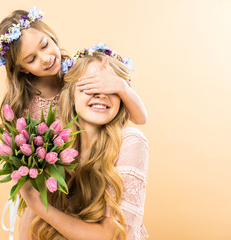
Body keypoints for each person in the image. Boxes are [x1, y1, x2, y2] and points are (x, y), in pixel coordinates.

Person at [18, 49, 149, 240]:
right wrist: (33, 203)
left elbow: (110, 236)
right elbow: (29, 226)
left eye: (111, 88)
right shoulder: (54, 146)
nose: (101, 94)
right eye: (89, 86)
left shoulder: (130, 142)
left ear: (122, 98)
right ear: (71, 96)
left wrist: (39, 206)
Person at [0, 7, 147, 125]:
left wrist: (121, 87)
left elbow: (140, 119)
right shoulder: (23, 106)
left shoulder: (82, 71)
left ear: (51, 36)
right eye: (31, 59)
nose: (45, 59)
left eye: (45, 45)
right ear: (22, 68)